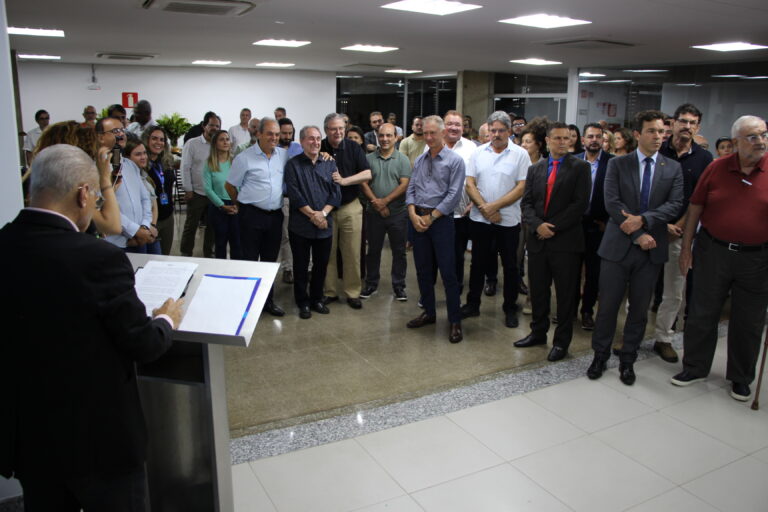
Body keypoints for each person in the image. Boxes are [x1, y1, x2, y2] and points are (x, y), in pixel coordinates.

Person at [0, 144, 183, 511]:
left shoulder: (5, 243)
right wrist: (167, 318)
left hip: (30, 437)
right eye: (98, 196)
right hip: (99, 441)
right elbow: (143, 344)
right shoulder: (98, 258)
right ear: (83, 194)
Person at [672, 115, 768, 402]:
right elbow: (695, 208)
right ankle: (695, 367)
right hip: (713, 251)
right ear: (736, 141)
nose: (761, 141)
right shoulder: (716, 168)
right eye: (753, 136)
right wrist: (686, 248)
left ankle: (740, 377)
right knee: (702, 312)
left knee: (749, 320)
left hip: (757, 258)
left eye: (764, 135)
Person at [587, 110, 683, 385]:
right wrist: (638, 234)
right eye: (652, 131)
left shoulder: (672, 168)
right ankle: (600, 355)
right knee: (607, 307)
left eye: (662, 131)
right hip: (617, 247)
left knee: (640, 310)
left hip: (651, 250)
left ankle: (628, 359)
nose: (658, 136)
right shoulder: (618, 164)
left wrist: (643, 221)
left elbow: (675, 205)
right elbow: (612, 203)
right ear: (638, 134)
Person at [515, 122, 591, 360]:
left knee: (565, 295)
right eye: (557, 138)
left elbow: (579, 204)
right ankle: (538, 332)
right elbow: (526, 203)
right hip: (538, 241)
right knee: (538, 292)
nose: (563, 142)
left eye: (567, 138)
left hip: (565, 243)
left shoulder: (581, 168)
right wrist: (538, 225)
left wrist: (552, 228)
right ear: (547, 141)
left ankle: (561, 342)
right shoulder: (535, 169)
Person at [653, 104, 713, 363]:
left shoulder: (704, 159)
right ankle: (632, 335)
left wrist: (678, 226)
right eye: (683, 121)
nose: (687, 126)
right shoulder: (657, 150)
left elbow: (700, 199)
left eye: (692, 123)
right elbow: (647, 192)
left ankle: (663, 338)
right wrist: (661, 224)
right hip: (652, 230)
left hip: (681, 234)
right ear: (673, 123)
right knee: (642, 287)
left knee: (674, 290)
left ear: (697, 127)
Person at [461, 111, 530, 328]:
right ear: (488, 131)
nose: (497, 134)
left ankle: (510, 307)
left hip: (508, 221)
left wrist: (494, 207)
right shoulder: (478, 153)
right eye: (493, 130)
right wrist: (486, 208)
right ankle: (473, 304)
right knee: (477, 263)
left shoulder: (520, 154)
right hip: (480, 219)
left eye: (501, 130)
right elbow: (469, 184)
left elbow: (522, 187)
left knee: (510, 266)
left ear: (509, 131)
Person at [405, 115, 465, 343]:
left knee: (448, 273)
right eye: (425, 133)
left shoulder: (455, 161)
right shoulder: (421, 159)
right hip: (418, 220)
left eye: (433, 133)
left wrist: (431, 217)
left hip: (441, 222)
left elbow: (454, 195)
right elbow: (411, 188)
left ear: (442, 133)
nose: (428, 137)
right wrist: (412, 214)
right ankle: (429, 313)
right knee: (423, 271)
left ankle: (455, 320)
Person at [225, 117, 287, 316]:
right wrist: (241, 204)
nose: (274, 138)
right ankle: (247, 304)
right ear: (259, 134)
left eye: (277, 134)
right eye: (269, 134)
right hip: (250, 215)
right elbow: (230, 185)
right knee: (249, 261)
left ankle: (268, 302)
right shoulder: (244, 158)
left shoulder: (283, 155)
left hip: (275, 217)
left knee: (270, 262)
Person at [284, 125, 341, 319]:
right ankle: (302, 302)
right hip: (300, 226)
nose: (315, 142)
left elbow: (336, 193)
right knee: (300, 266)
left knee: (321, 265)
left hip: (324, 226)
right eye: (311, 138)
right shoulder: (293, 165)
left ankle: (317, 299)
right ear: (302, 142)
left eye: (318, 138)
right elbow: (295, 195)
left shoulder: (329, 163)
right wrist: (314, 216)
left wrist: (323, 214)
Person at [320, 113, 372, 309]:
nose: (338, 132)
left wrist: (344, 180)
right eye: (333, 129)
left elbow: (367, 173)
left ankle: (352, 292)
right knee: (328, 252)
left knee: (352, 252)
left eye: (341, 128)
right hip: (326, 209)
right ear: (326, 130)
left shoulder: (353, 147)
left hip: (350, 206)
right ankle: (330, 292)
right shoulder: (319, 147)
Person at [360, 123, 412, 301]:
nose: (385, 139)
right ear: (377, 137)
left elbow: (404, 184)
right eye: (381, 135)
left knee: (399, 251)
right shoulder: (368, 159)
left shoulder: (403, 159)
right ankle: (371, 284)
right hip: (374, 213)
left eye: (389, 135)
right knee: (373, 250)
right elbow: (363, 183)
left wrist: (384, 202)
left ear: (396, 137)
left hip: (398, 214)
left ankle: (399, 286)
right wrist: (377, 204)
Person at [575, 123, 613, 331]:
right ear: (583, 140)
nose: (594, 140)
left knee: (593, 273)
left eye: (598, 136)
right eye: (590, 136)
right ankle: (569, 309)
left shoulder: (613, 163)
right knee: (571, 271)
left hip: (599, 226)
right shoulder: (573, 161)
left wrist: (608, 221)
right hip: (574, 226)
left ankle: (587, 310)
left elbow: (617, 195)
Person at [107, 134, 158, 254]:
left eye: (122, 130)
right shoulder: (101, 168)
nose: (120, 134)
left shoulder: (130, 165)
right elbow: (104, 206)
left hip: (140, 239)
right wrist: (135, 231)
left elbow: (145, 199)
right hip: (117, 241)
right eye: (115, 131)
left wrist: (145, 226)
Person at [180, 114, 220, 258]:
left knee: (212, 226)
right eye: (211, 125)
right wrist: (188, 189)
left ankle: (209, 252)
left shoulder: (219, 145)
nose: (214, 128)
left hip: (214, 194)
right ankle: (186, 252)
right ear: (204, 126)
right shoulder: (192, 143)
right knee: (191, 225)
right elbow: (185, 167)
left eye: (217, 126)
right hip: (197, 192)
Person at [203, 130, 241, 259]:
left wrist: (238, 204)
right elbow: (208, 189)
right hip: (218, 206)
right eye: (221, 139)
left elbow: (241, 184)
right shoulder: (209, 163)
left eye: (227, 139)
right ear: (215, 143)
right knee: (220, 243)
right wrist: (221, 205)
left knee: (237, 243)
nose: (225, 142)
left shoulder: (235, 162)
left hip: (235, 205)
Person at [277, 117, 304, 284]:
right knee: (285, 235)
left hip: (300, 198)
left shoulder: (298, 148)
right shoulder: (273, 150)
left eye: (290, 133)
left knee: (303, 234)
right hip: (284, 198)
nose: (287, 136)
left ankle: (307, 267)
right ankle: (287, 268)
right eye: (284, 133)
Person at [124, 138, 162, 254]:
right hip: (134, 234)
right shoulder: (123, 179)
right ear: (127, 158)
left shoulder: (145, 175)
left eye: (144, 153)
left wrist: (151, 225)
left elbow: (153, 203)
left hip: (148, 229)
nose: (143, 157)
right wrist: (140, 231)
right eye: (138, 154)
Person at [143, 126, 176, 255]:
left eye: (162, 140)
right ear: (146, 140)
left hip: (168, 216)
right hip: (150, 219)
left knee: (165, 256)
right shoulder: (142, 164)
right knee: (151, 257)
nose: (159, 142)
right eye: (154, 138)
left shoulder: (166, 161)